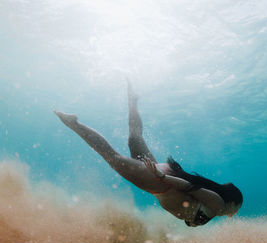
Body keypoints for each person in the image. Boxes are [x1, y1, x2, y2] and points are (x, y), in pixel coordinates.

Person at [54, 80, 243, 227]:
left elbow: (191, 203)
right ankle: (74, 124)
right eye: (237, 208)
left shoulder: (213, 209)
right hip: (161, 182)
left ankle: (133, 100)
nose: (234, 213)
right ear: (231, 201)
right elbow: (188, 187)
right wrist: (161, 176)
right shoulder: (218, 205)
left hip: (163, 179)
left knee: (134, 138)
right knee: (112, 157)